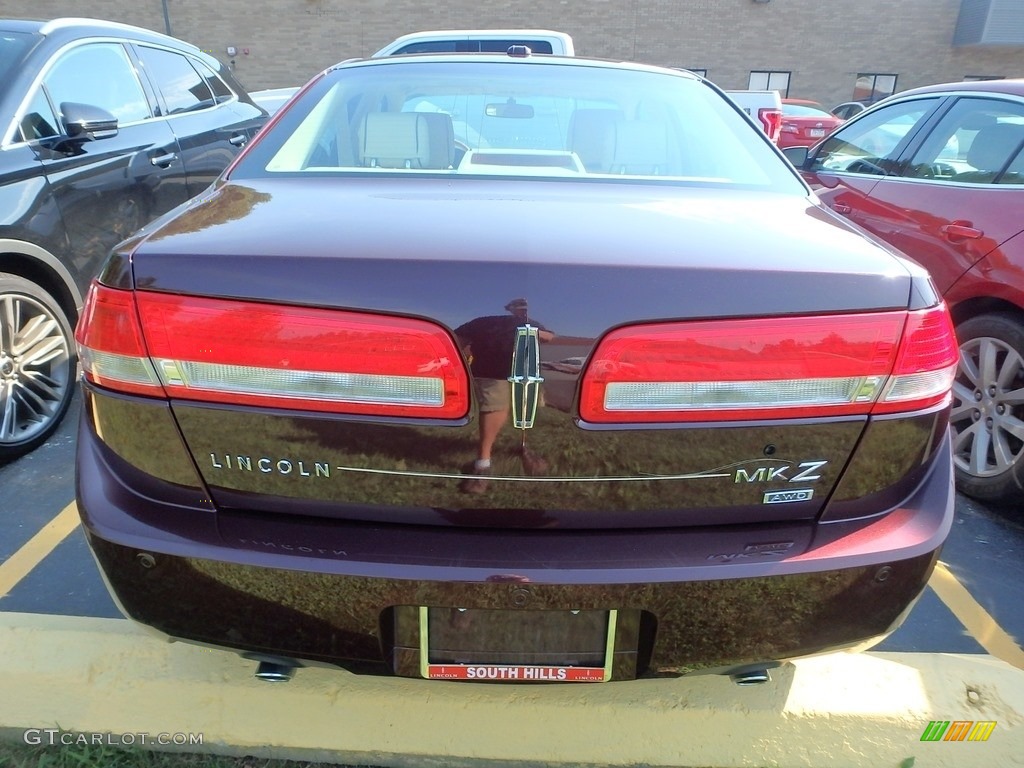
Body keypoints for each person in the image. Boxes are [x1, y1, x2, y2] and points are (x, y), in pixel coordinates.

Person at [455, 298, 554, 494]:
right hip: (492, 374)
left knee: (526, 410)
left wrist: (533, 332)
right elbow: (457, 341)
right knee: (494, 408)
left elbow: (549, 337)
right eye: (518, 307)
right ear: (510, 309)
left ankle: (523, 447)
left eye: (523, 308)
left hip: (524, 375)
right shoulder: (483, 322)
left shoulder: (531, 323)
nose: (522, 311)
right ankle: (483, 464)